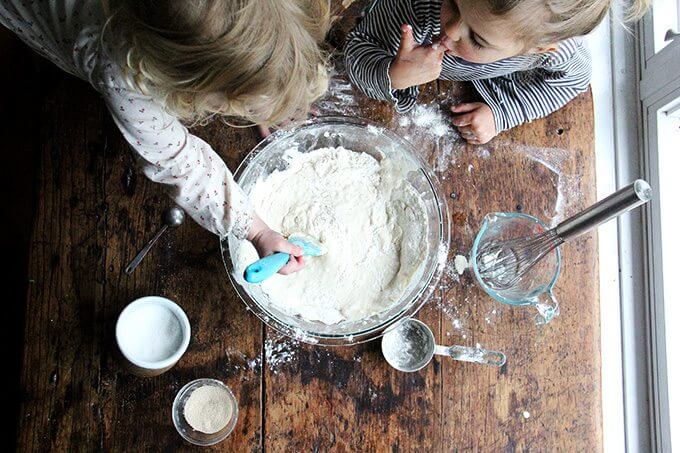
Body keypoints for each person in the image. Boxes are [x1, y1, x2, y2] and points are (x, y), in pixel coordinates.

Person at [0, 0, 331, 274]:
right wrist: (256, 229)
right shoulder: (123, 73)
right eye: (239, 102)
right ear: (189, 87)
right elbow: (181, 164)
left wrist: (279, 92)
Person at [345, 0, 649, 144]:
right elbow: (357, 50)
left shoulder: (554, 51)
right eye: (453, 3)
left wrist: (502, 114)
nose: (450, 28)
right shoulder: (416, 9)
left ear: (538, 50)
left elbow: (574, 79)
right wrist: (394, 75)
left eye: (477, 39)